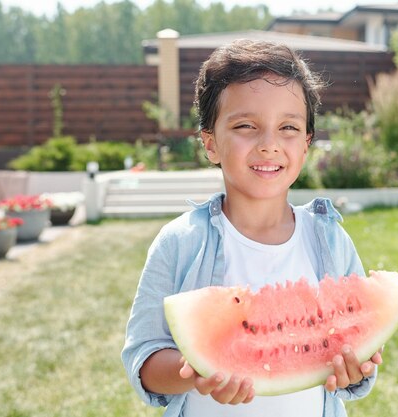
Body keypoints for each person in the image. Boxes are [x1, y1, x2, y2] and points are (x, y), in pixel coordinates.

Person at [122, 39, 382, 417]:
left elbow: (356, 354)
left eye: (288, 127)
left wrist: (355, 368)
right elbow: (143, 358)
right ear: (210, 144)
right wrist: (196, 373)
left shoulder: (329, 240)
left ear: (306, 144)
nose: (269, 144)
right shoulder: (179, 243)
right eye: (246, 125)